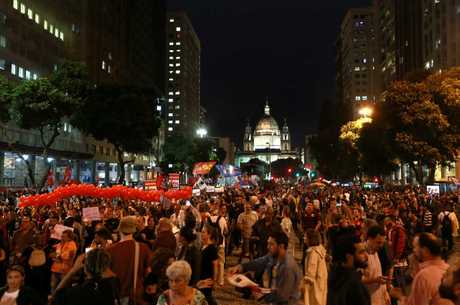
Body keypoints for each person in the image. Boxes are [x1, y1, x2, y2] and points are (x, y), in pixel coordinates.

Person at [228, 231, 302, 305]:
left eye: (271, 244)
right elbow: (258, 262)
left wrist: (262, 296)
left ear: (281, 246)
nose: (268, 247)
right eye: (268, 243)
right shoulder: (273, 257)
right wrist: (240, 267)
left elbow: (283, 296)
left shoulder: (288, 267)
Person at [390, 232, 449, 305]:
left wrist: (400, 296)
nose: (413, 251)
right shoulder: (447, 268)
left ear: (425, 251)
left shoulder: (423, 276)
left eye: (415, 247)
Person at [107, 216, 152, 305]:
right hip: (136, 296)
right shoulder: (143, 248)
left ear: (119, 230)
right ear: (134, 231)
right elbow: (148, 271)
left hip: (116, 296)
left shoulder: (110, 250)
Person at [54, 248, 120, 305]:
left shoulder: (77, 292)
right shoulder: (111, 286)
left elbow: (57, 296)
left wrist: (73, 270)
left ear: (85, 268)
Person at [327, 230, 370, 305]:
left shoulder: (334, 275)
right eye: (361, 252)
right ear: (349, 257)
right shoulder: (353, 283)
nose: (366, 256)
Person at [362, 225, 391, 305]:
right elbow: (358, 280)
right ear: (369, 239)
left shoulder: (375, 252)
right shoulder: (361, 254)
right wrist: (375, 280)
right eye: (378, 242)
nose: (381, 245)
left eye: (382, 243)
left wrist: (385, 293)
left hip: (379, 298)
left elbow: (379, 274)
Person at [304, 229, 328, 305]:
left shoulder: (313, 253)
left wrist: (303, 285)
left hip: (315, 285)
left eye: (305, 237)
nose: (304, 238)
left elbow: (311, 272)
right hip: (321, 282)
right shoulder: (319, 250)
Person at [199, 224, 219, 305]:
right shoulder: (203, 246)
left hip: (207, 278)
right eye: (201, 232)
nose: (201, 234)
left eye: (203, 232)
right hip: (201, 277)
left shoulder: (212, 248)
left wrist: (214, 281)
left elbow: (215, 265)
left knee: (207, 298)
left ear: (209, 234)